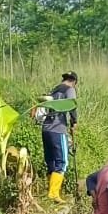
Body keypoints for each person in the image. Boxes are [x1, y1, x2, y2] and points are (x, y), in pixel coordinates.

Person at [39, 71, 78, 202]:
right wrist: (74, 122)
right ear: (74, 81)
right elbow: (72, 105)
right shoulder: (70, 89)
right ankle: (53, 194)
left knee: (51, 161)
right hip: (58, 129)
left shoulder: (54, 90)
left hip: (46, 129)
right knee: (62, 162)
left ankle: (50, 192)